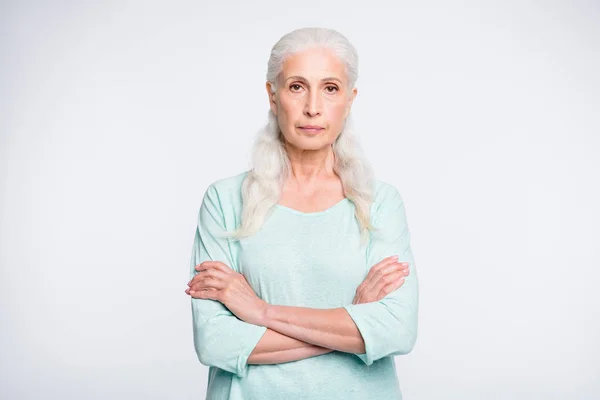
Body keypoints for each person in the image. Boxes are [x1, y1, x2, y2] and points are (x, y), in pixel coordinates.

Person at [184, 27, 419, 400]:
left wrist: (261, 312)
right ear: (272, 95)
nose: (313, 107)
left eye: (330, 88)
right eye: (296, 86)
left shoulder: (380, 203)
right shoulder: (225, 200)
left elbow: (396, 330)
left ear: (350, 99)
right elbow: (216, 342)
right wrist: (353, 320)